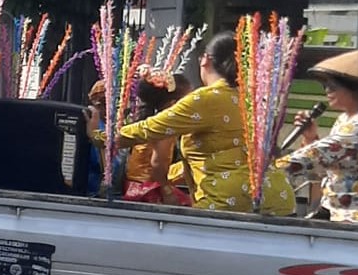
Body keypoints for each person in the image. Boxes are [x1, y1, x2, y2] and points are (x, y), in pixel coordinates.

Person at [116, 32, 295, 215]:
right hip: (279, 196)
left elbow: (148, 130)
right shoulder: (252, 100)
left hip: (229, 200)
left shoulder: (205, 99)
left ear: (205, 60)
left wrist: (103, 138)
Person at [276, 50, 358, 225]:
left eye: (333, 86)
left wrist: (273, 167)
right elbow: (326, 165)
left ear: (355, 88)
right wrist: (311, 137)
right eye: (325, 86)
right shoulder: (345, 119)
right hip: (340, 209)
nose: (327, 91)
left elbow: (322, 153)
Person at [121, 68, 191, 205]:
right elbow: (157, 164)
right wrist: (167, 192)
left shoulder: (148, 120)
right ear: (173, 104)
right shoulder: (165, 126)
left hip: (133, 186)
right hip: (148, 190)